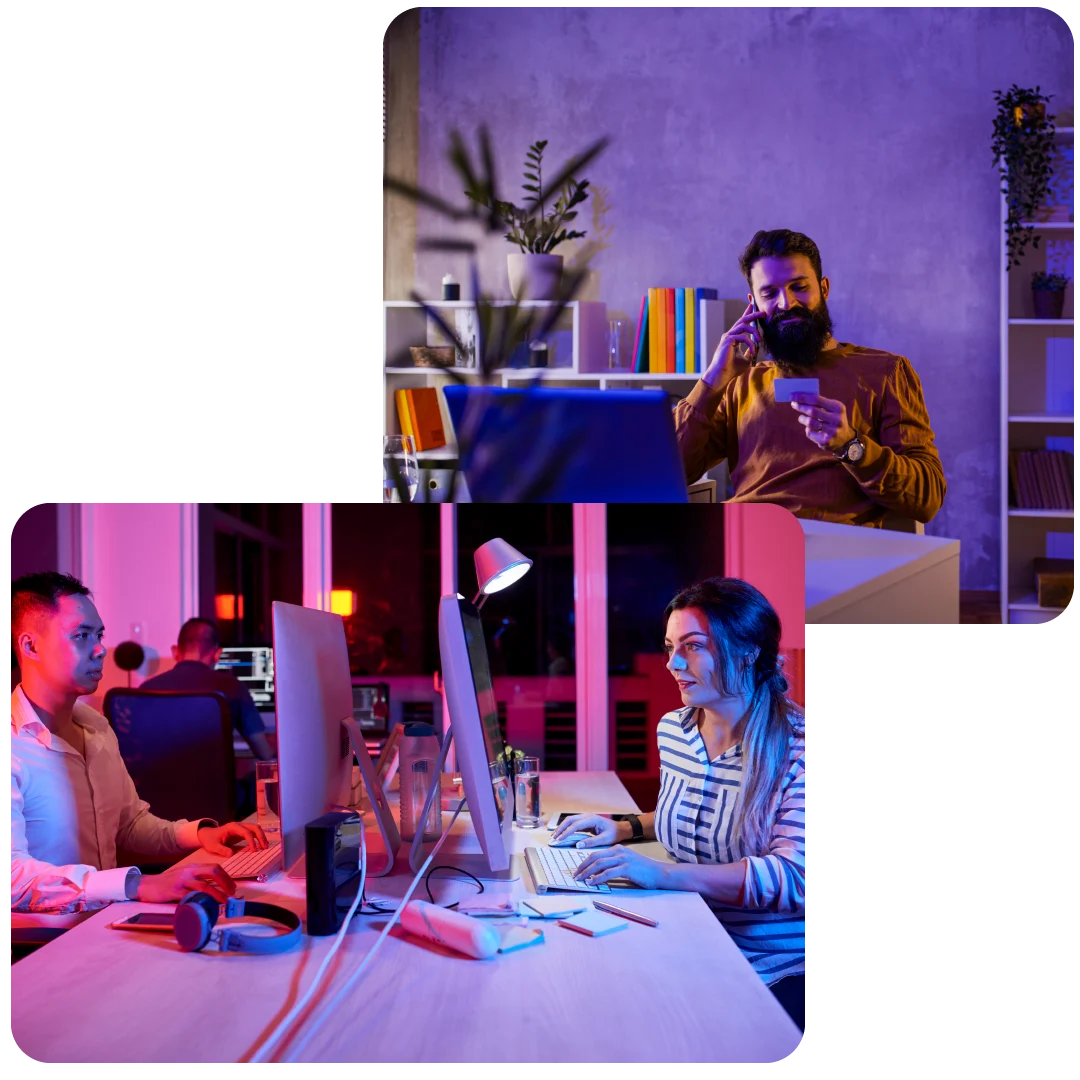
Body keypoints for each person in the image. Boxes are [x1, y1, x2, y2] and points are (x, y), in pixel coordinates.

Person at [552, 577, 807, 1033]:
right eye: (670, 646)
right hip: (687, 934)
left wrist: (662, 874)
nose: (671, 663)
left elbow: (794, 878)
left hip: (766, 966)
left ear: (747, 652)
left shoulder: (796, 749)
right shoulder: (676, 730)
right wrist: (625, 827)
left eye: (692, 647)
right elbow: (701, 812)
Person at [9, 572, 269, 914]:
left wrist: (201, 833)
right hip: (41, 946)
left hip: (106, 921)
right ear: (30, 646)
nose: (101, 649)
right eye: (81, 636)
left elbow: (130, 825)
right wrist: (137, 884)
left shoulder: (96, 728)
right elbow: (13, 880)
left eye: (99, 635)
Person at [674, 229, 945, 527]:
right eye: (769, 293)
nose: (786, 303)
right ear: (753, 305)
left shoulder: (886, 372)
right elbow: (668, 472)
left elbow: (928, 498)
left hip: (834, 555)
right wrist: (712, 380)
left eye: (799, 286)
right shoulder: (739, 382)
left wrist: (851, 446)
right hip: (744, 547)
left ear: (824, 288)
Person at [139, 617, 275, 761]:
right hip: (214, 784)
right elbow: (264, 753)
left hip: (158, 783)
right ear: (217, 654)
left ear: (175, 651)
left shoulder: (146, 689)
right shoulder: (233, 687)